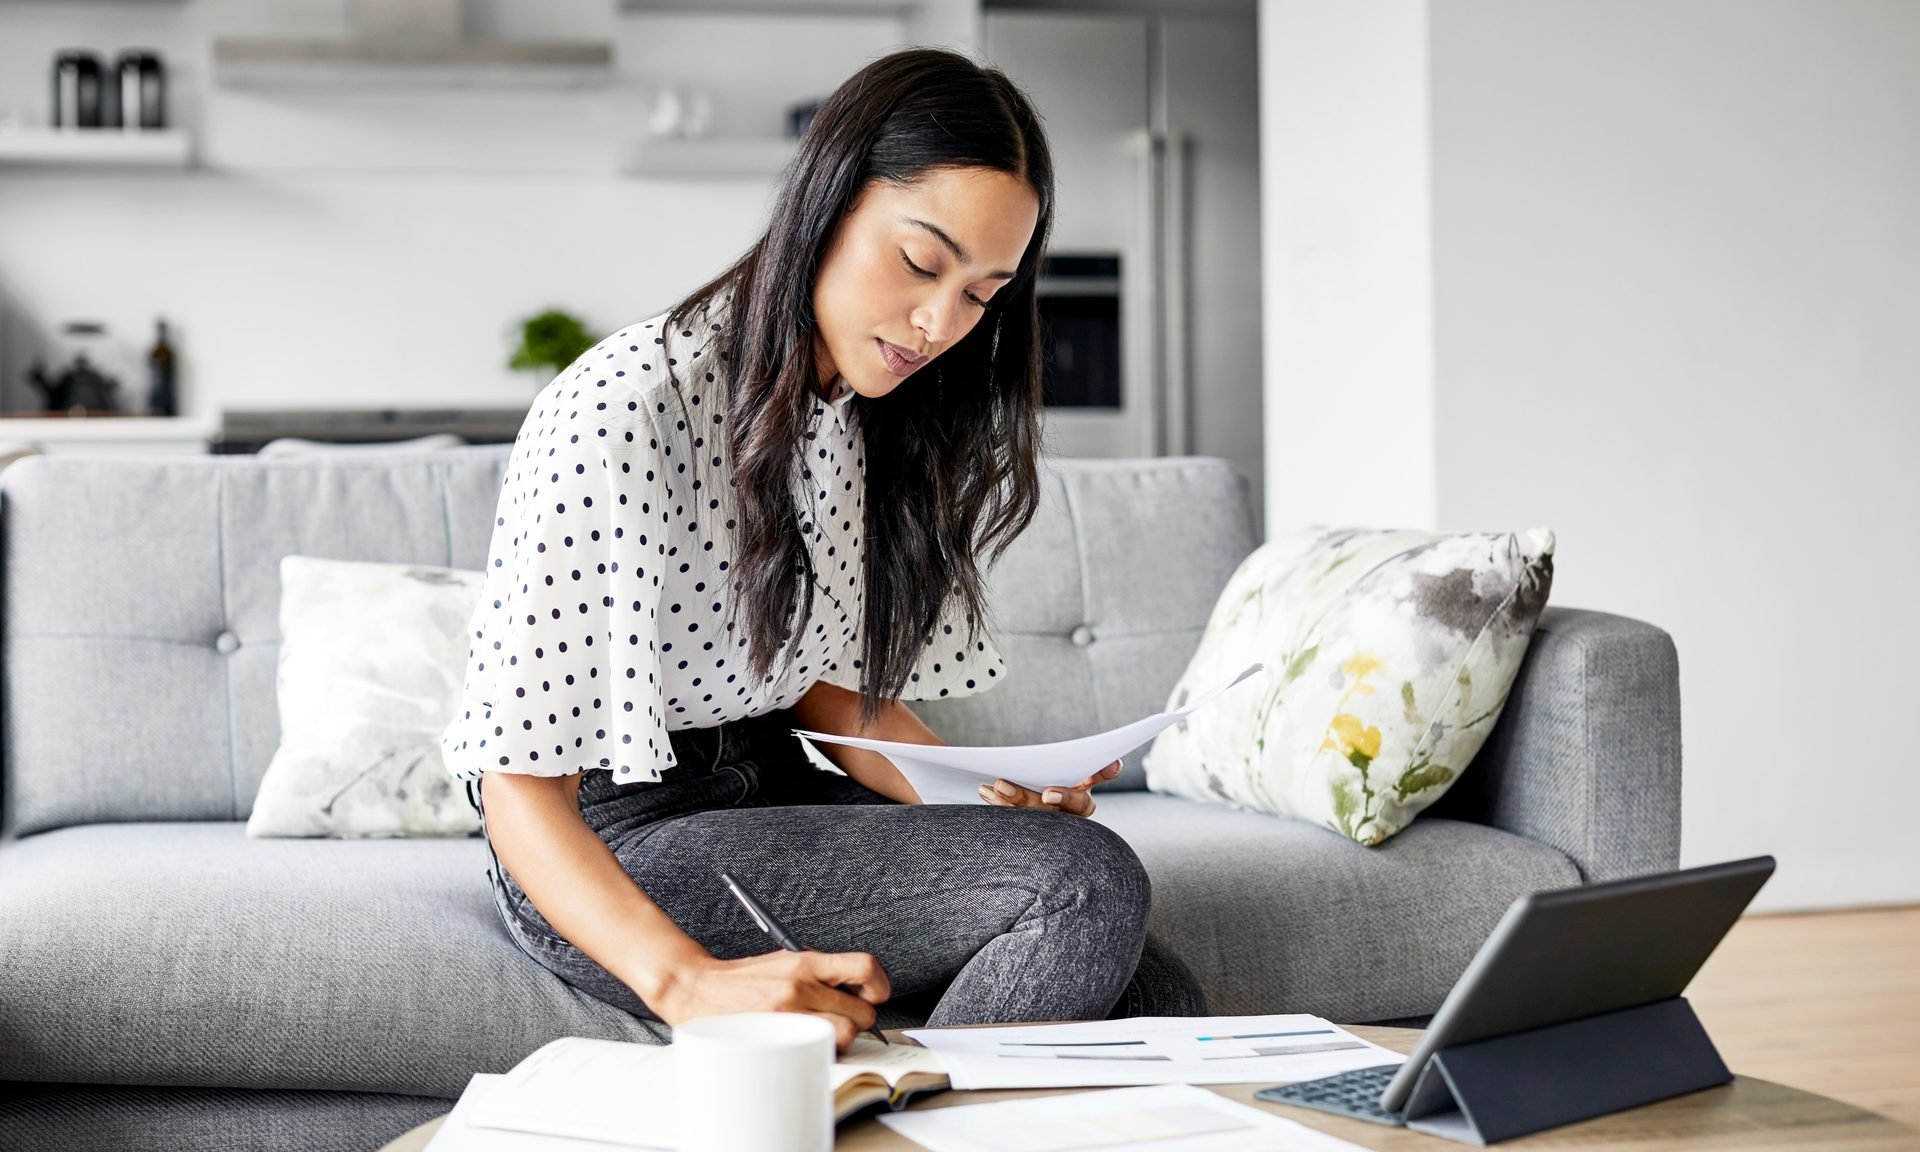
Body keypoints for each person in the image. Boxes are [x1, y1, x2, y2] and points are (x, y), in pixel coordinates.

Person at [440, 46, 1206, 1055]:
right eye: (922, 262)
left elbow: (825, 694)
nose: (942, 323)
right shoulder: (627, 407)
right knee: (1086, 884)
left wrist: (988, 794)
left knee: (1155, 990)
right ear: (827, 203)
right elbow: (517, 786)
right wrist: (689, 984)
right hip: (607, 843)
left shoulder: (864, 413)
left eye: (983, 294)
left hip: (769, 790)